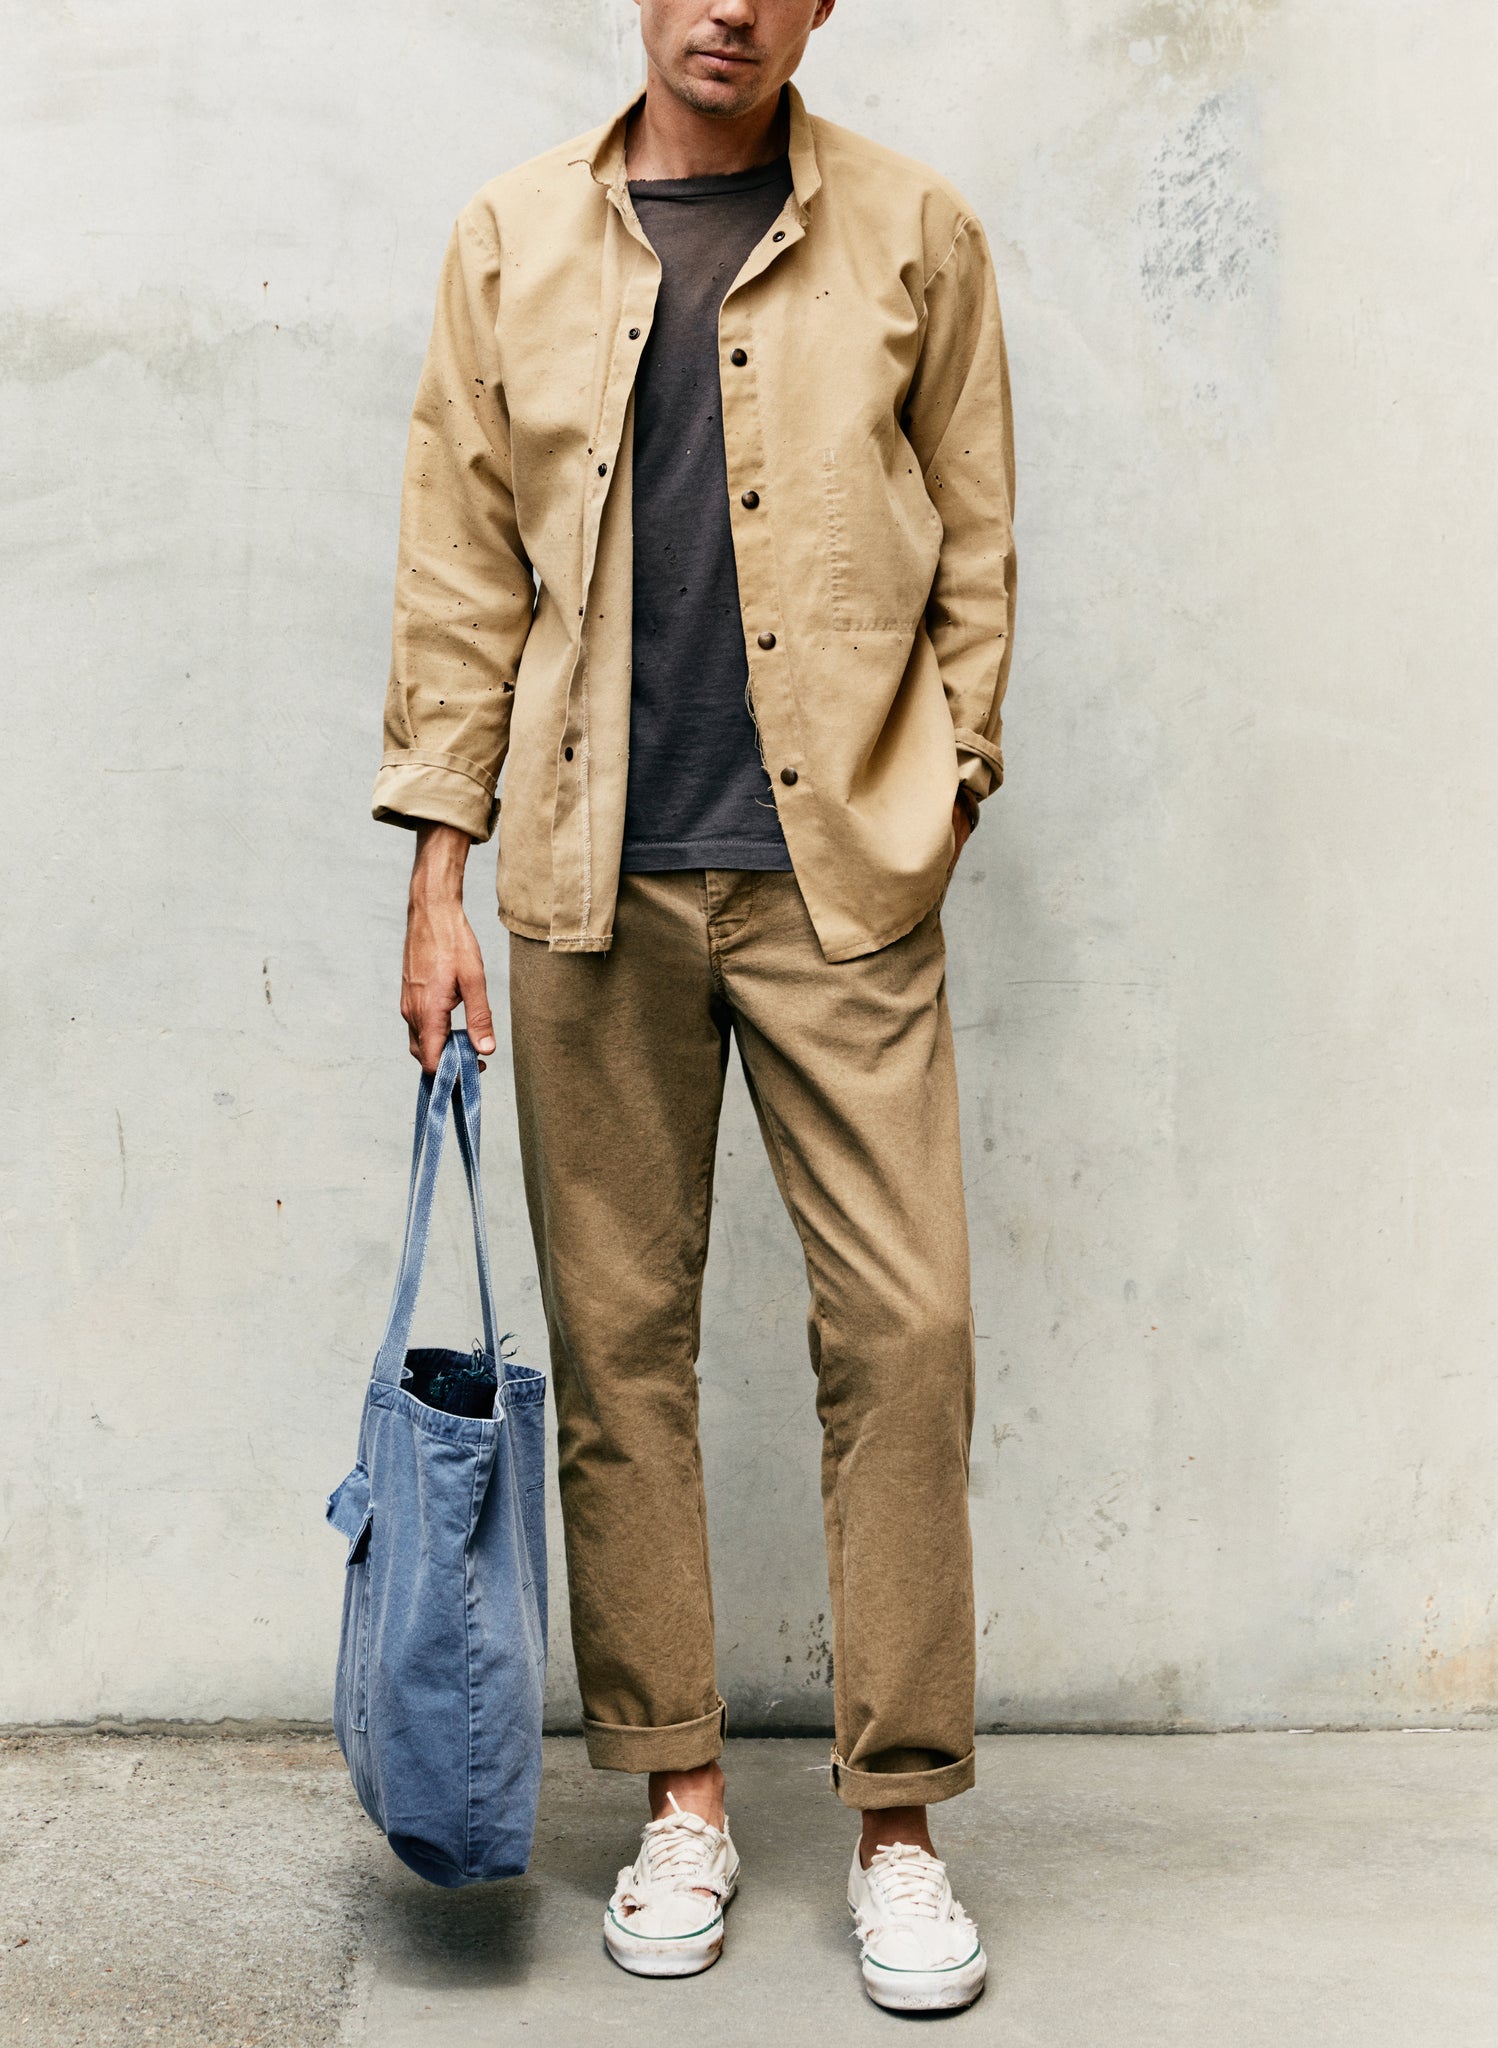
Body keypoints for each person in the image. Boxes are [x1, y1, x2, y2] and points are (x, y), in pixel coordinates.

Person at [375, 0, 1015, 2014]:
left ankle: (895, 1826)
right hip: (591, 888)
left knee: (903, 1334)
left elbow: (975, 542)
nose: (726, 7)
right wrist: (437, 880)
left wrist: (946, 784)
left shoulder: (915, 232)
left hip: (841, 887)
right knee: (619, 1352)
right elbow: (459, 571)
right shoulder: (508, 239)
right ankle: (680, 1799)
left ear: (823, 7)